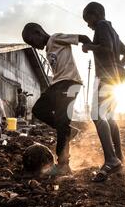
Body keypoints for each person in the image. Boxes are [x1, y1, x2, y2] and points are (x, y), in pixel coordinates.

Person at [22, 22, 91, 176]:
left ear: (38, 32)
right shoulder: (48, 49)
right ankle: (68, 130)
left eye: (33, 42)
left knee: (62, 121)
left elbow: (84, 38)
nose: (34, 46)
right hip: (58, 84)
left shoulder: (56, 38)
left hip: (70, 82)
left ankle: (63, 164)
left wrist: (90, 47)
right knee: (38, 110)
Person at [81, 2, 125, 182]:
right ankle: (119, 157)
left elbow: (106, 49)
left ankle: (111, 159)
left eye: (88, 20)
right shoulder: (114, 32)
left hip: (104, 78)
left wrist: (90, 47)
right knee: (109, 118)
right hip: (115, 79)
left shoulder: (102, 26)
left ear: (95, 14)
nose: (88, 24)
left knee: (96, 115)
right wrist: (117, 67)